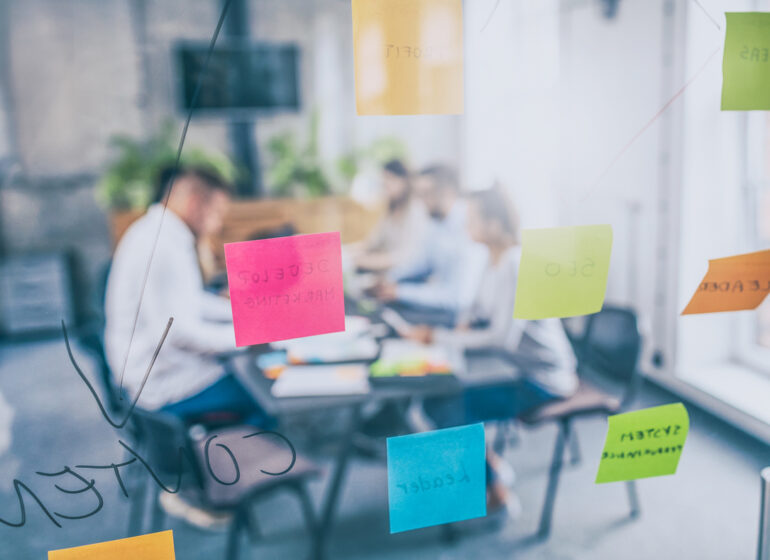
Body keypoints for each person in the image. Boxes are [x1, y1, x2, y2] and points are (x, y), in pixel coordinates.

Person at [402, 185, 579, 517]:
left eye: (471, 219)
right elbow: (477, 310)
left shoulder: (516, 264)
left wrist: (439, 337)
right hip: (511, 367)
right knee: (436, 400)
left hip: (542, 379)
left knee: (449, 408)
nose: (465, 225)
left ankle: (497, 490)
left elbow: (502, 339)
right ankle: (491, 466)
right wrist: (460, 327)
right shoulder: (491, 259)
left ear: (495, 225)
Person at [105, 165, 270, 429]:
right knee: (263, 397)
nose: (217, 225)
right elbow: (180, 334)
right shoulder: (164, 246)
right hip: (162, 389)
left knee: (245, 369)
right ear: (194, 203)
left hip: (144, 375)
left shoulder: (153, 231)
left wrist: (244, 312)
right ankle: (238, 465)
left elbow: (190, 301)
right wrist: (254, 336)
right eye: (216, 213)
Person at [375, 164, 486, 325]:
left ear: (448, 192)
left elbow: (457, 299)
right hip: (442, 308)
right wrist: (389, 280)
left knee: (389, 322)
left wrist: (400, 292)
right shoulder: (436, 223)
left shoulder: (470, 227)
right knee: (382, 314)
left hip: (461, 319)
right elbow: (422, 263)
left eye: (426, 194)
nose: (421, 202)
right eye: (419, 195)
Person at [354, 159, 427, 273]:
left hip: (405, 273)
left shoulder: (416, 210)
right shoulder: (390, 210)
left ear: (405, 182)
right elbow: (373, 241)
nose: (385, 185)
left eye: (390, 179)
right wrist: (350, 253)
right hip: (386, 270)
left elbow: (407, 256)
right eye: (384, 180)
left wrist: (370, 261)